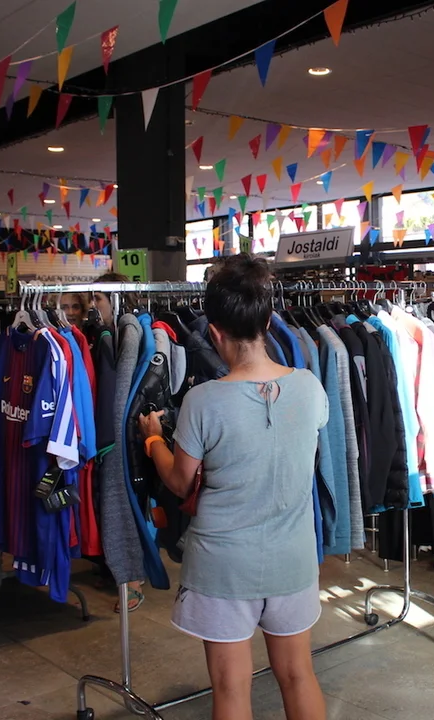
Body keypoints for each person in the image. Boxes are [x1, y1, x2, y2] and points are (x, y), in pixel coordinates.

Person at [139, 254, 328, 720]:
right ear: (267, 321)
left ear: (215, 332)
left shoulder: (203, 401)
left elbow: (180, 481)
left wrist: (153, 441)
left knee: (230, 687)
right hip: (293, 559)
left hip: (223, 567)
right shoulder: (310, 387)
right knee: (298, 675)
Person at [91, 271, 147, 613]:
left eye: (98, 298)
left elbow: (121, 395)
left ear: (114, 298)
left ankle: (132, 580)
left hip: (121, 435)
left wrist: (108, 442)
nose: (92, 305)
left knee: (118, 500)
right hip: (117, 432)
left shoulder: (129, 331)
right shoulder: (111, 332)